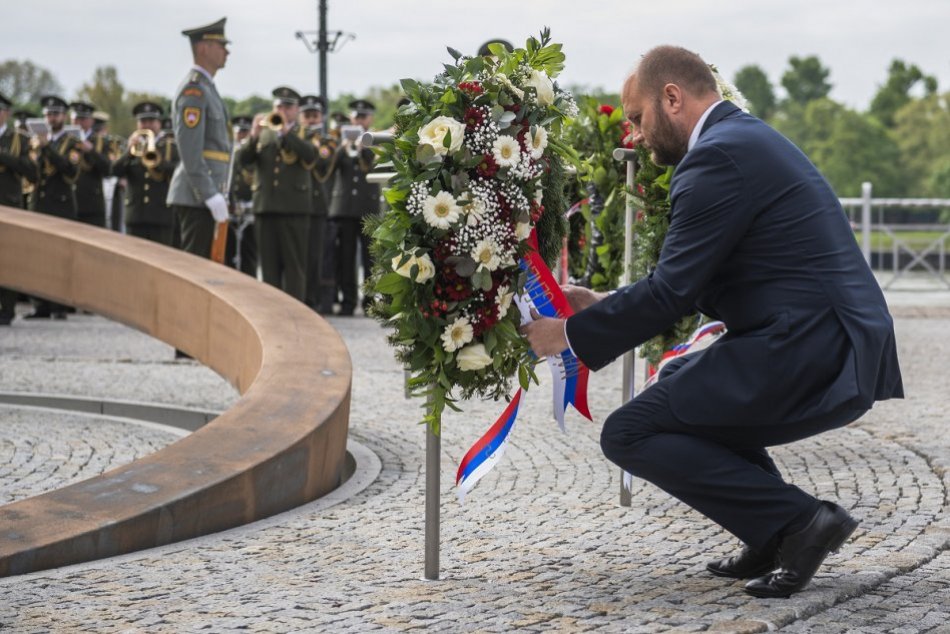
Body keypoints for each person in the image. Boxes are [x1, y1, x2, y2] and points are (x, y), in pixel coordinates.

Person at [520, 45, 904, 599]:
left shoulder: (717, 158)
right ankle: (771, 531)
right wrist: (599, 301)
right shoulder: (738, 141)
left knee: (630, 430)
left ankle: (802, 522)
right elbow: (692, 281)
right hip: (823, 341)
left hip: (815, 348)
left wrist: (567, 336)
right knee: (677, 386)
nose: (634, 136)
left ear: (671, 97)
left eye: (637, 118)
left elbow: (673, 291)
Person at [239, 86, 316, 301]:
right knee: (269, 269)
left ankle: (295, 315)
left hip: (294, 209)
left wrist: (285, 133)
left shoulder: (307, 132)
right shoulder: (263, 133)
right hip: (265, 207)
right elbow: (243, 161)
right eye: (278, 106)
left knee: (294, 268)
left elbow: (310, 156)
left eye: (287, 106)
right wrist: (253, 137)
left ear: (296, 110)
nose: (282, 110)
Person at [166, 17, 231, 260]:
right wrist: (209, 194)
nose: (227, 51)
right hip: (197, 198)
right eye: (221, 45)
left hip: (205, 196)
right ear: (203, 48)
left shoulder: (208, 88)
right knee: (195, 271)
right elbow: (190, 151)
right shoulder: (193, 90)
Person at [26, 95, 82, 320]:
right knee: (37, 257)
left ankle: (59, 306)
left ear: (64, 116)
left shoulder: (72, 142)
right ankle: (40, 305)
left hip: (61, 205)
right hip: (39, 203)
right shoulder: (36, 141)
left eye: (55, 114)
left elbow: (69, 169)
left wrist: (47, 148)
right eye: (48, 114)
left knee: (59, 258)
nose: (51, 118)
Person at [327, 98, 379, 315]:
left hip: (367, 207)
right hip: (345, 208)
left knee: (370, 258)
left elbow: (374, 165)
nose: (359, 120)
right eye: (355, 117)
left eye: (362, 117)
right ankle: (348, 302)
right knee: (346, 257)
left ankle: (369, 302)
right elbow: (328, 167)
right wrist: (343, 146)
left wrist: (363, 148)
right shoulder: (339, 140)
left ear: (369, 119)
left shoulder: (376, 138)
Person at [111, 101, 179, 245]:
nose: (146, 125)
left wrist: (158, 160)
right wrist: (129, 152)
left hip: (161, 215)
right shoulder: (132, 147)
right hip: (135, 216)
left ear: (159, 123)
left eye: (151, 121)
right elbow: (114, 171)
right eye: (143, 121)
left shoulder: (170, 147)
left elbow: (176, 174)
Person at [0, 92, 37, 325]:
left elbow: (32, 172)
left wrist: (3, 156)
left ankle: (7, 308)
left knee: (7, 259)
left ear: (6, 114)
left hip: (8, 205)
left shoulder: (19, 139)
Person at [299, 94, 336, 313]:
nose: (311, 120)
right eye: (307, 115)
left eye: (315, 115)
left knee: (314, 259)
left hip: (316, 207)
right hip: (294, 206)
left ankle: (312, 301)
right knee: (296, 259)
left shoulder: (326, 142)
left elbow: (322, 161)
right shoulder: (294, 138)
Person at [225, 114, 258, 276]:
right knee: (229, 254)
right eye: (239, 132)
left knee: (249, 256)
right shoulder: (229, 153)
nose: (241, 135)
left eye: (245, 132)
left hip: (250, 209)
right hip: (231, 209)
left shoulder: (252, 153)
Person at [69, 101, 110, 228]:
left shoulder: (100, 141)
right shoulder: (66, 140)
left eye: (83, 119)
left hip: (92, 206)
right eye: (76, 119)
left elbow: (108, 169)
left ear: (91, 121)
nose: (79, 123)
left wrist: (91, 151)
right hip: (68, 203)